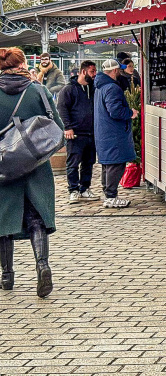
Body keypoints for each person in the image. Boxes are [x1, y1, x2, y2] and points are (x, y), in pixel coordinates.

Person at [0, 47, 64, 298]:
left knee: (4, 220)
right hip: (36, 166)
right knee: (36, 217)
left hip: (3, 167)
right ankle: (42, 265)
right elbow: (58, 129)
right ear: (23, 65)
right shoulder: (38, 90)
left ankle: (7, 276)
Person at [94, 59, 137, 209]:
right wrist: (131, 113)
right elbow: (116, 111)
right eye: (119, 69)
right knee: (116, 164)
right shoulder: (112, 88)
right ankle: (111, 197)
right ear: (114, 71)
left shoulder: (100, 87)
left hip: (104, 132)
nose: (120, 72)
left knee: (107, 164)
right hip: (114, 133)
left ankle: (108, 194)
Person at [57, 60, 98, 204]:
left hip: (91, 132)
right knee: (73, 163)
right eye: (92, 71)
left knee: (89, 162)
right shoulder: (69, 89)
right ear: (83, 71)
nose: (94, 74)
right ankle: (73, 190)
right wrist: (67, 127)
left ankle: (84, 188)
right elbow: (62, 109)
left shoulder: (94, 88)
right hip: (75, 133)